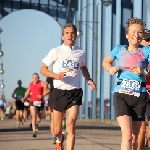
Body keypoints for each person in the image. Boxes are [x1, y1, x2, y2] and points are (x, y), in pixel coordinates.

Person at [40, 23, 96, 150]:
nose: (70, 35)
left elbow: (83, 68)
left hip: (74, 92)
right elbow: (43, 70)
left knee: (71, 124)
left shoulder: (80, 52)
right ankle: (59, 139)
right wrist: (55, 75)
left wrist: (89, 80)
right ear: (62, 36)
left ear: (75, 36)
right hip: (59, 92)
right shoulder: (56, 51)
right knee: (56, 129)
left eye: (72, 33)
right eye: (67, 33)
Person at [102, 17, 150, 150]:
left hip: (140, 96)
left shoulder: (146, 51)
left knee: (134, 139)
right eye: (133, 32)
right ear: (127, 34)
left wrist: (144, 71)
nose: (136, 35)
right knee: (127, 136)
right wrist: (110, 68)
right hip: (121, 94)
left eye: (140, 32)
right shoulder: (119, 49)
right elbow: (105, 62)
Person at [137, 29, 150, 150]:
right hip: (140, 91)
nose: (149, 42)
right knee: (141, 127)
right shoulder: (137, 54)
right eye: (146, 40)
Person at [22, 73, 45, 137]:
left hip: (40, 102)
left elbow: (46, 91)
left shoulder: (41, 83)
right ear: (32, 78)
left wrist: (42, 95)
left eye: (36, 77)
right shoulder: (30, 84)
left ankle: (36, 124)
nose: (35, 78)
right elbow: (27, 92)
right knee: (34, 116)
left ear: (38, 77)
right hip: (32, 102)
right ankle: (34, 131)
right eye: (34, 77)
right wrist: (24, 98)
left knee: (39, 119)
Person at [43, 77, 57, 144]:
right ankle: (53, 136)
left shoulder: (64, 72)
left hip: (64, 97)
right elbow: (46, 83)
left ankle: (59, 134)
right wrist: (45, 90)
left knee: (59, 118)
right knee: (53, 118)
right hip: (53, 98)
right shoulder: (50, 75)